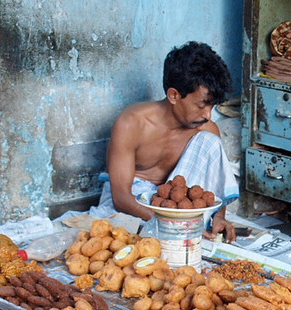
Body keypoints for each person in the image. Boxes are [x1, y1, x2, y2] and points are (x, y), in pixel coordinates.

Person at [90, 41, 238, 241]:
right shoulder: (131, 123)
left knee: (210, 140)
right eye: (202, 105)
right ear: (174, 95)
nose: (208, 115)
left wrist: (218, 217)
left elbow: (213, 187)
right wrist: (170, 224)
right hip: (133, 207)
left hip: (174, 207)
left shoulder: (205, 130)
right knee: (119, 237)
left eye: (212, 106)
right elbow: (121, 198)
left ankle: (186, 229)